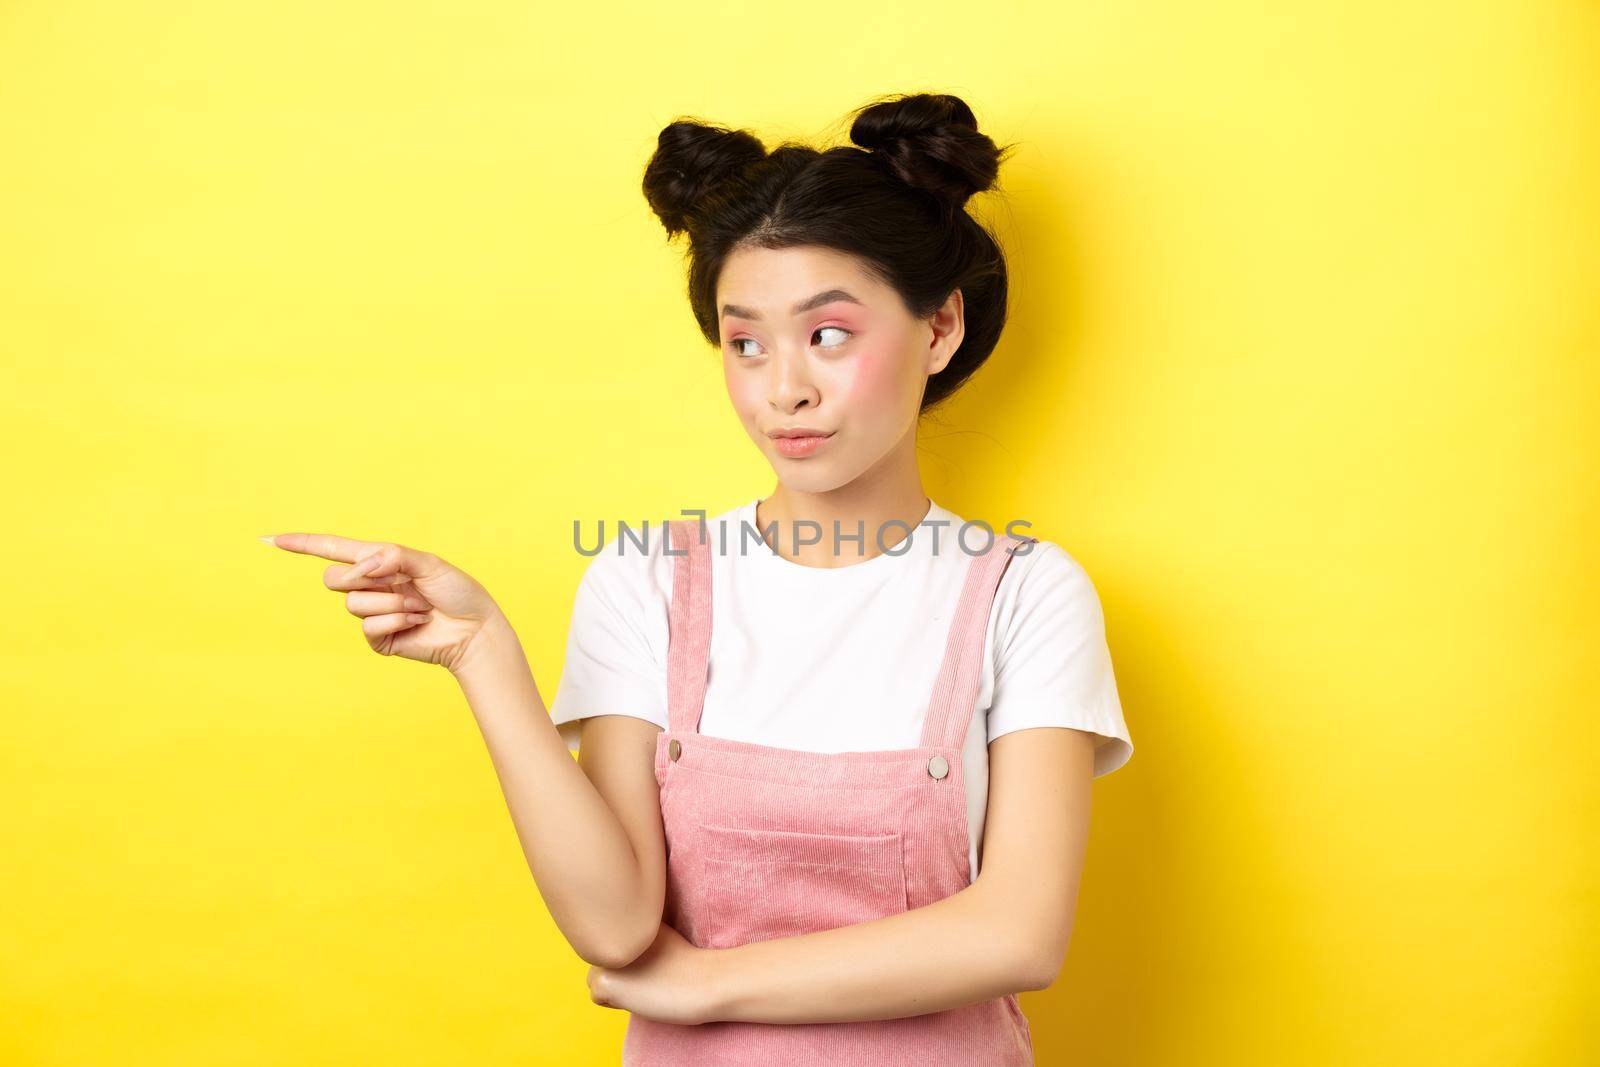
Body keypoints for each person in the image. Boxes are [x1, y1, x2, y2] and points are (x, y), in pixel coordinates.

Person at [264, 90, 1132, 1065]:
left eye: (830, 334)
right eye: (744, 340)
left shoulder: (1023, 591)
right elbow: (616, 923)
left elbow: (1016, 933)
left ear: (938, 331)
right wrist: (481, 652)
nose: (783, 387)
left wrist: (706, 983)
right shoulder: (646, 581)